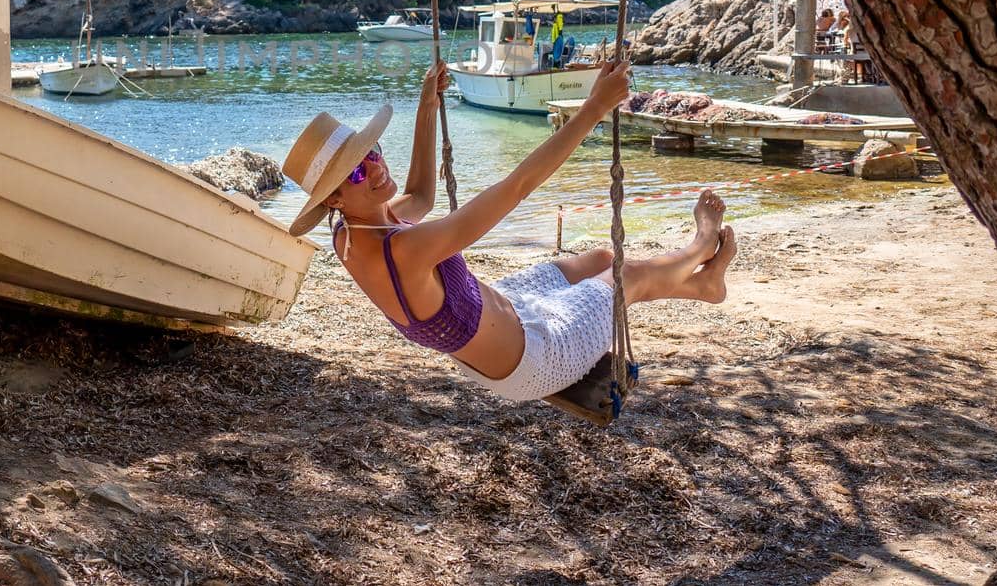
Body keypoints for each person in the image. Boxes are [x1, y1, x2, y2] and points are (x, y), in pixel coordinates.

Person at [282, 61, 737, 402]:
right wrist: (594, 108)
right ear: (334, 200)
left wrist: (427, 108)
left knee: (597, 261)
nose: (376, 169)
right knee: (625, 276)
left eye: (373, 153)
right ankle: (699, 247)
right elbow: (517, 186)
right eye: (357, 174)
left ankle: (702, 285)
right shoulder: (405, 250)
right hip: (536, 359)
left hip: (503, 315)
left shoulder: (352, 231)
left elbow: (420, 196)